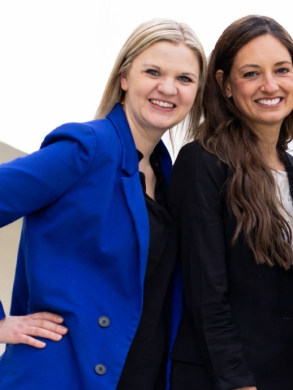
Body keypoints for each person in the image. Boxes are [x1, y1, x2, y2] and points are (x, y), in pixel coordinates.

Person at [0, 19, 205, 389]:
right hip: (61, 377)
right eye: (153, 71)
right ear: (125, 77)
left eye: (185, 79)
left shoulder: (170, 174)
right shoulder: (87, 148)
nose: (168, 88)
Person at [167, 15, 293, 390]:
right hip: (220, 378)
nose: (270, 85)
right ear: (225, 85)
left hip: (285, 376)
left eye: (281, 70)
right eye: (251, 73)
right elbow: (206, 297)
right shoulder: (201, 163)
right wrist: (239, 383)